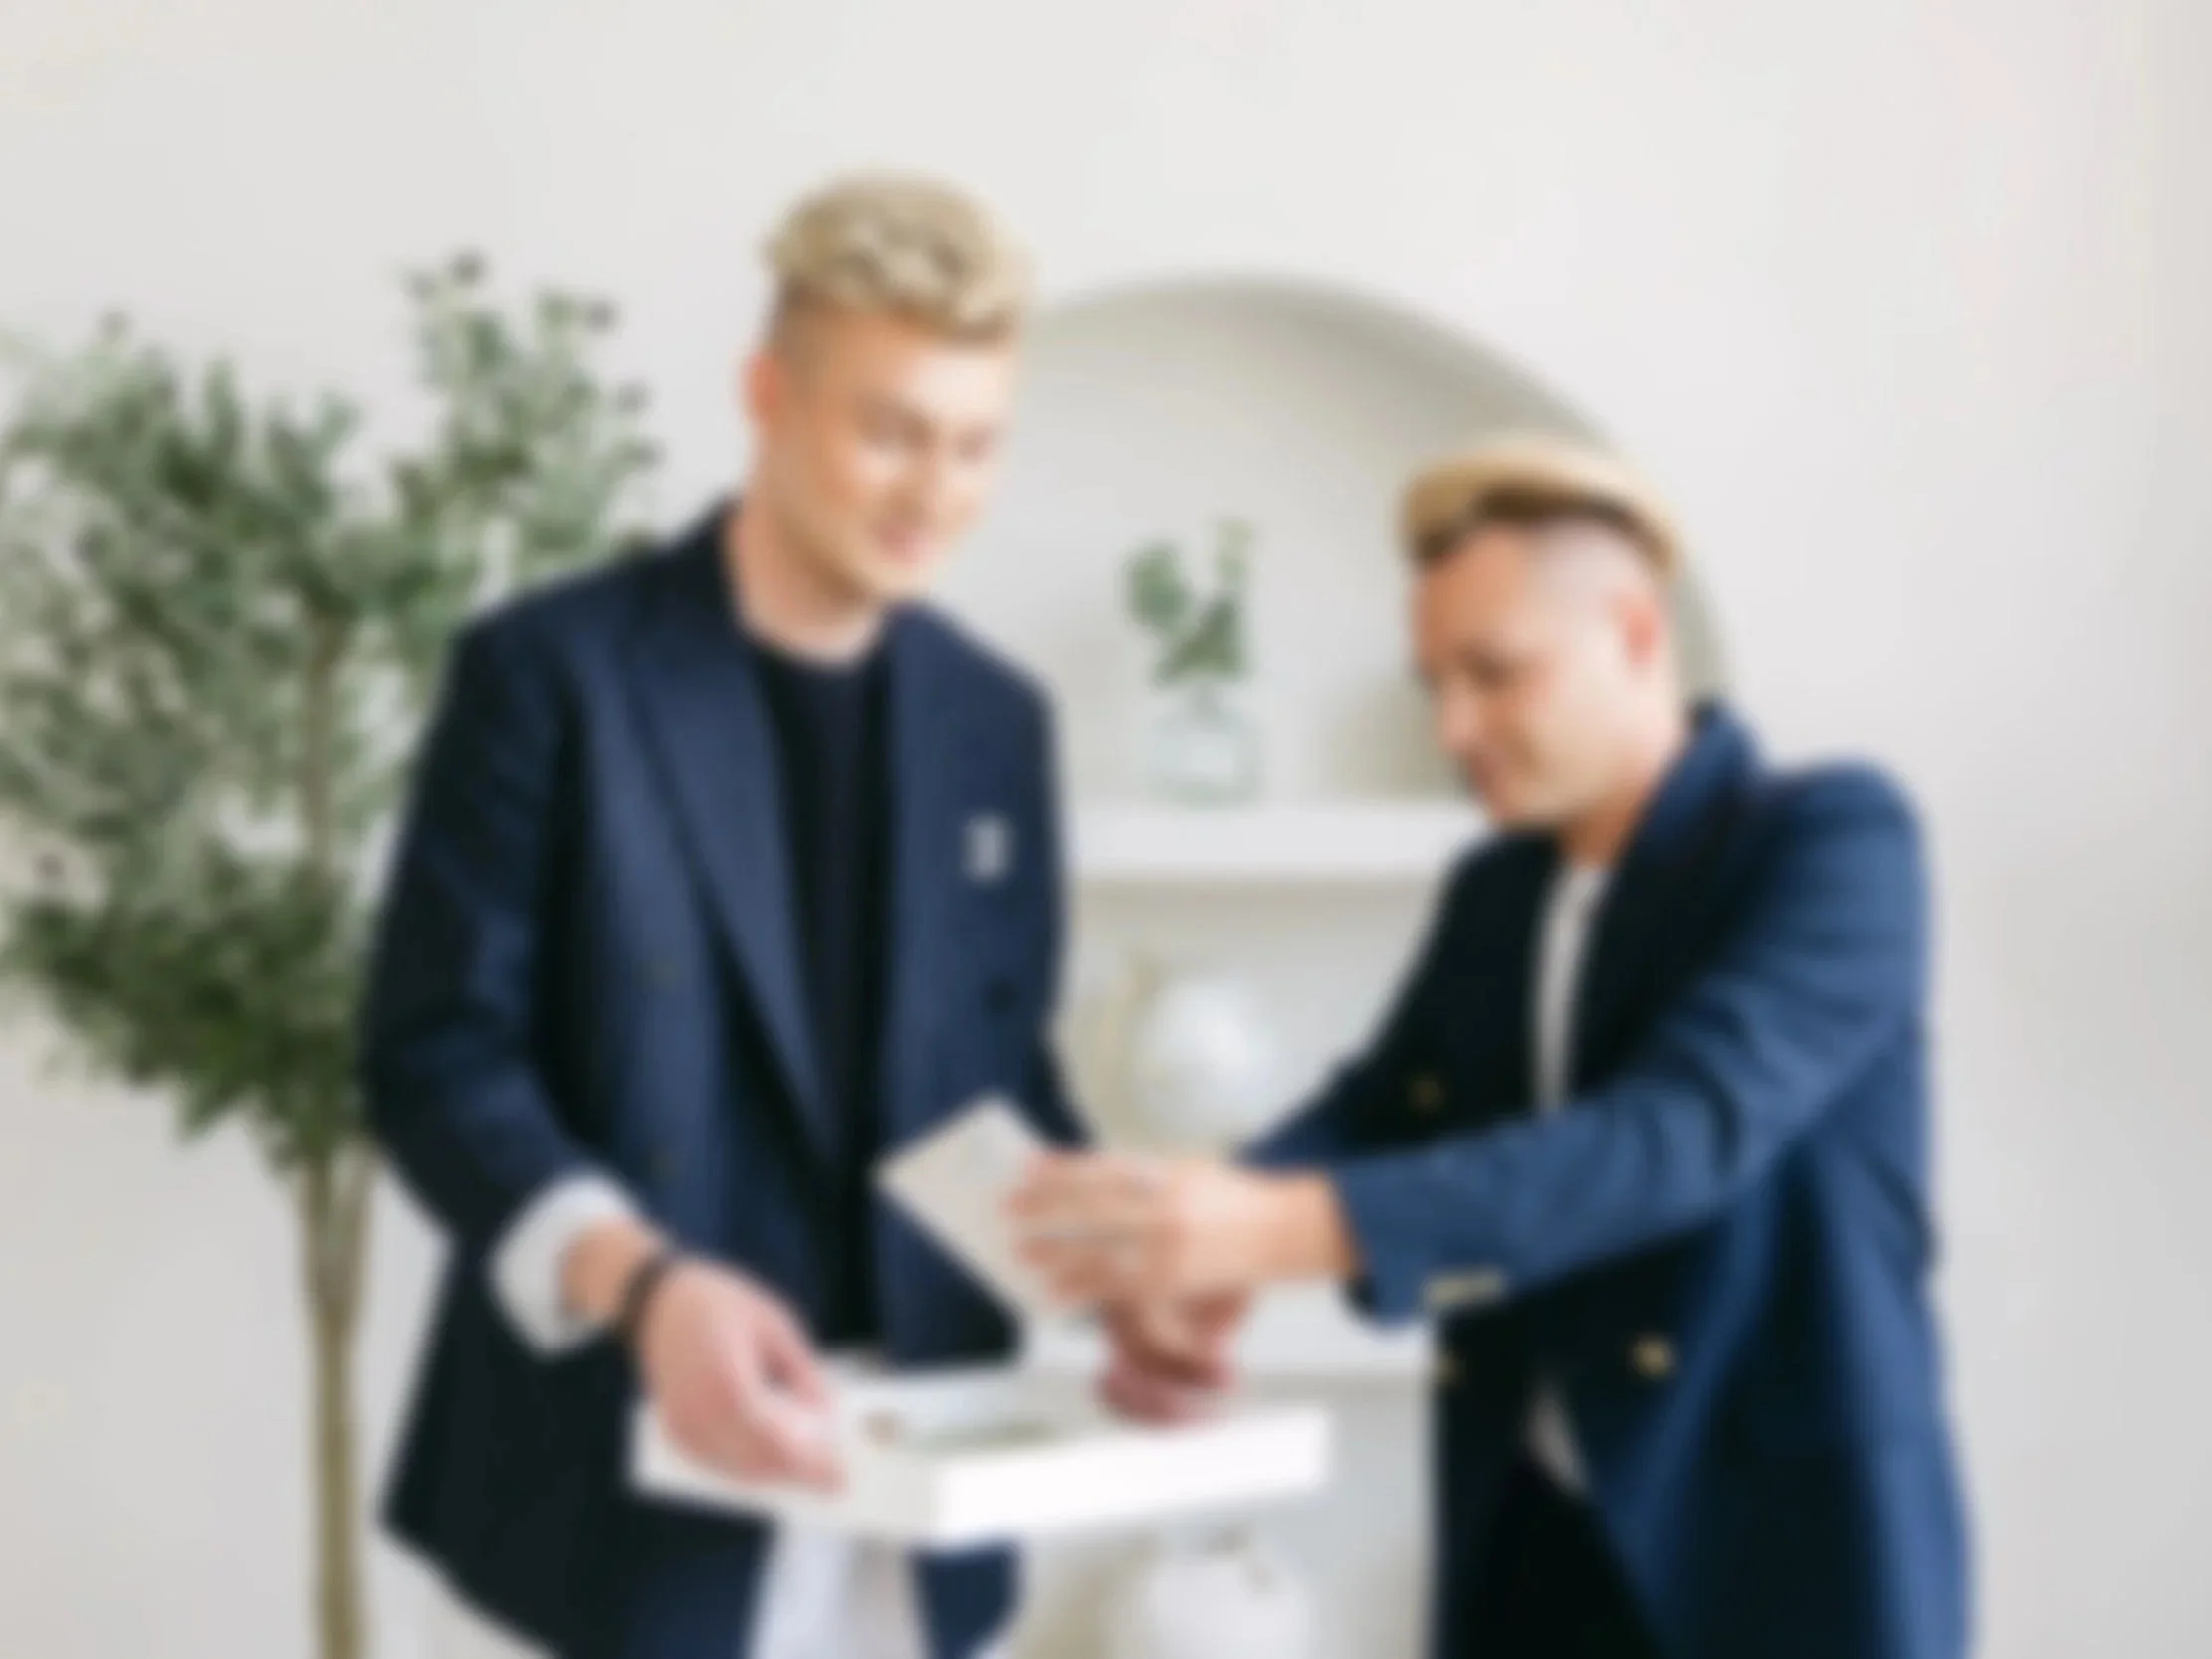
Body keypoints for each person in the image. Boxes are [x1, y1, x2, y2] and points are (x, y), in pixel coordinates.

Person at [1011, 437, 1972, 1659]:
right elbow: (1381, 1106)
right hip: (1532, 1552)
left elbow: (1666, 1139)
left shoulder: (1831, 838)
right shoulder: (1493, 890)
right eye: (1433, 685)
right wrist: (1197, 1245)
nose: (1454, 725)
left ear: (1632, 632)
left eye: (1493, 673)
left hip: (1783, 1561)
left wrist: (1261, 1229)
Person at [362, 173, 1080, 1659]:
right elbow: (437, 1052)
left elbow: (1000, 1075)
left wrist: (1116, 1256)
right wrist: (647, 1285)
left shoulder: (995, 718)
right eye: (887, 428)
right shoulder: (548, 673)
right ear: (768, 394)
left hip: (914, 1489)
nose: (930, 488)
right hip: (595, 1499)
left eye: (974, 443)